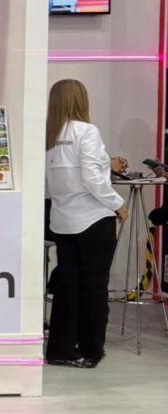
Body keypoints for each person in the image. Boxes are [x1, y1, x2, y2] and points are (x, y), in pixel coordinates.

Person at [45, 79, 126, 368]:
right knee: (94, 287)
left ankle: (60, 348)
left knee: (67, 287)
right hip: (93, 219)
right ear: (81, 99)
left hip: (63, 221)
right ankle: (92, 349)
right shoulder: (86, 131)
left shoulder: (48, 136)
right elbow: (91, 177)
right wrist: (117, 203)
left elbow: (51, 182)